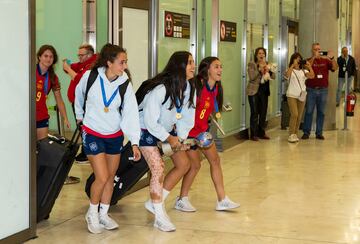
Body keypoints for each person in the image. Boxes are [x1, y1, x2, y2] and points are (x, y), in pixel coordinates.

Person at [74, 43, 141, 234]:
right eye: (122, 62)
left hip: (114, 135)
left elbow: (131, 113)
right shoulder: (91, 77)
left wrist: (134, 141)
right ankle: (92, 213)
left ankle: (103, 214)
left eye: (125, 62)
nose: (125, 66)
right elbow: (78, 96)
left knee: (110, 178)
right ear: (109, 62)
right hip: (92, 132)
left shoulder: (125, 83)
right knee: (102, 176)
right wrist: (80, 117)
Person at [137, 51, 196, 232]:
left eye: (193, 62)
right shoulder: (161, 89)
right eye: (189, 63)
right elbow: (149, 120)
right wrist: (169, 138)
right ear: (179, 67)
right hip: (146, 130)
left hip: (166, 130)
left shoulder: (188, 88)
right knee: (159, 168)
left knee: (184, 163)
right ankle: (159, 215)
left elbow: (186, 117)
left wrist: (181, 139)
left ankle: (153, 201)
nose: (193, 66)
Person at [174, 57, 240, 212]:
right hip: (189, 134)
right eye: (216, 67)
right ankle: (182, 199)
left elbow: (207, 109)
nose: (220, 70)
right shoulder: (195, 86)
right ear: (207, 69)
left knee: (215, 160)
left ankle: (222, 199)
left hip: (202, 133)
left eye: (221, 67)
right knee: (194, 165)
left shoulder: (216, 88)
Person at [63, 43, 97, 162]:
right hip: (77, 102)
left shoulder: (92, 65)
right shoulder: (83, 64)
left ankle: (86, 153)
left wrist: (68, 69)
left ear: (90, 55)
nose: (79, 58)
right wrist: (67, 66)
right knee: (81, 128)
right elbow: (73, 67)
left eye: (81, 55)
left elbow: (79, 79)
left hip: (84, 103)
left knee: (84, 128)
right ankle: (85, 151)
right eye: (78, 55)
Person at [302, 43, 338, 140]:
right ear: (312, 50)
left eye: (319, 49)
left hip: (323, 90)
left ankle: (319, 132)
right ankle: (306, 132)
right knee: (309, 111)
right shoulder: (308, 60)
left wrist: (332, 58)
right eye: (315, 49)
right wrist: (314, 57)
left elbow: (335, 67)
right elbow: (305, 68)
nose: (318, 51)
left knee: (321, 112)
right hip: (311, 90)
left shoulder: (326, 61)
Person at [36, 44, 70, 140]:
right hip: (27, 115)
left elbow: (59, 100)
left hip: (41, 116)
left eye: (51, 56)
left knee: (42, 148)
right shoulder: (30, 71)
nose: (48, 59)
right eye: (45, 56)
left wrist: (65, 118)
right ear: (39, 57)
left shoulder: (53, 78)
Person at [246, 47, 276, 141]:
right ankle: (253, 134)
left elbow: (273, 76)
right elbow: (251, 77)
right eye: (259, 53)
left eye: (263, 53)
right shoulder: (252, 64)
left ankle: (261, 132)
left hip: (264, 91)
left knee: (263, 113)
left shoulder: (268, 64)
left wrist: (269, 69)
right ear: (256, 55)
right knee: (254, 113)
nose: (261, 55)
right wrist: (259, 68)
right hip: (254, 91)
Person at [284, 53, 315, 143]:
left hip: (301, 96)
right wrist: (292, 65)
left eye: (299, 59)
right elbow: (287, 76)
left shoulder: (303, 71)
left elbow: (312, 76)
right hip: (291, 95)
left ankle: (295, 134)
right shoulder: (290, 70)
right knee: (294, 114)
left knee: (299, 116)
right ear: (293, 59)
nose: (298, 60)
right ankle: (291, 134)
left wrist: (309, 66)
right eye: (296, 59)